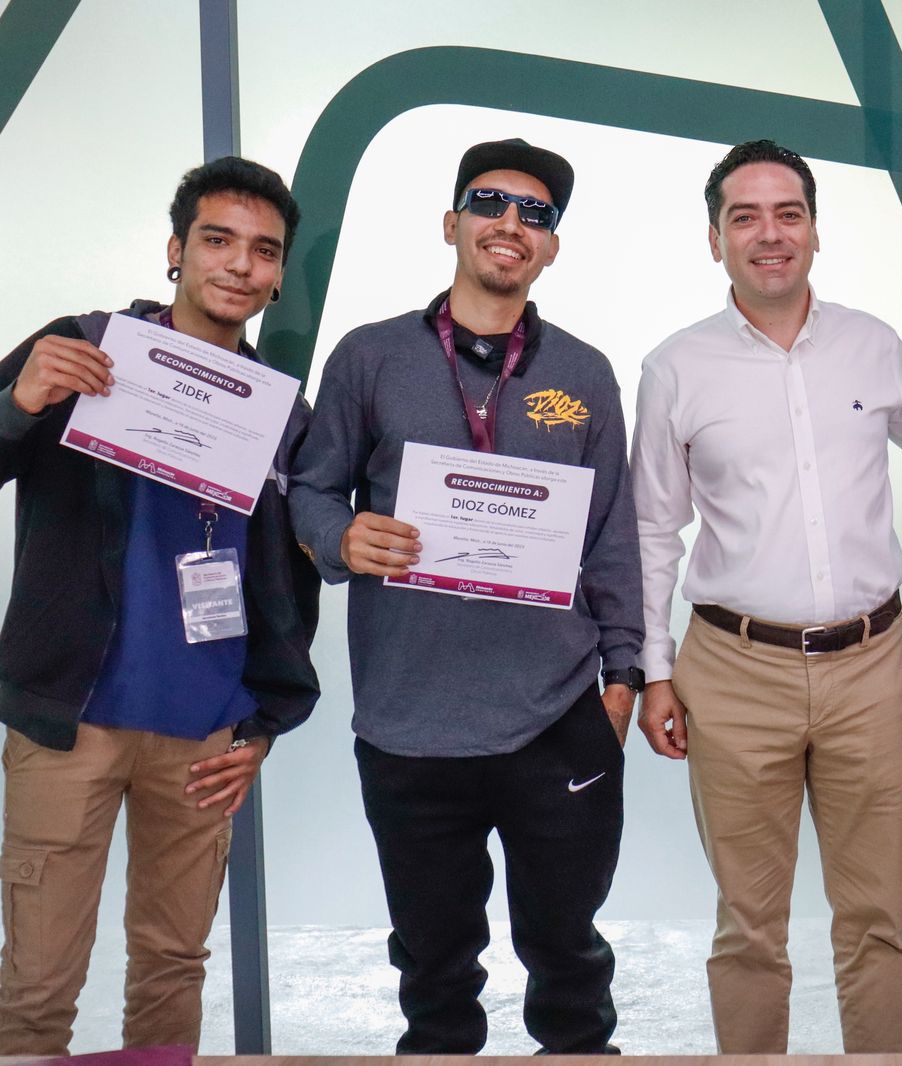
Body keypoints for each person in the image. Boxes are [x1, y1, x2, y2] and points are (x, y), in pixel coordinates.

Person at [289, 138, 643, 1055]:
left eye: (536, 214)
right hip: (411, 722)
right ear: (452, 224)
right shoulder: (370, 357)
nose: (510, 223)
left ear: (551, 247)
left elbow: (613, 535)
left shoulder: (585, 374)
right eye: (490, 202)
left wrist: (623, 679)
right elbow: (311, 489)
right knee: (435, 973)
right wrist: (341, 537)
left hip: (556, 714)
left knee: (571, 961)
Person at [0, 157, 319, 1054]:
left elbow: (288, 581)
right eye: (218, 240)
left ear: (278, 274)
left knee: (174, 968)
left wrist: (264, 723)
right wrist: (19, 402)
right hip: (70, 721)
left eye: (264, 250)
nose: (240, 265)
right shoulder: (81, 345)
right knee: (35, 986)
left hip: (205, 735)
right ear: (176, 250)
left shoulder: (283, 413)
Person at [630, 139, 902, 1054]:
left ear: (814, 230)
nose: (770, 235)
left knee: (877, 920)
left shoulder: (873, 346)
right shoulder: (675, 369)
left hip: (871, 667)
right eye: (746, 217)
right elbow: (652, 530)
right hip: (733, 673)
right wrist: (653, 671)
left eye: (788, 214)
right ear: (715, 238)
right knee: (749, 928)